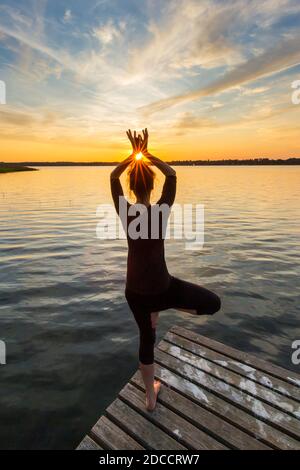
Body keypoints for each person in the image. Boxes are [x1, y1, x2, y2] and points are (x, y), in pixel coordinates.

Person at [110, 129, 221, 411]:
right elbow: (171, 174)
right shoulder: (161, 210)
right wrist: (147, 155)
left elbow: (113, 178)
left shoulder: (125, 210)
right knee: (212, 304)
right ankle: (165, 306)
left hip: (134, 293)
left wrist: (131, 156)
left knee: (147, 339)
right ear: (152, 186)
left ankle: (149, 397)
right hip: (163, 288)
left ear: (132, 189)